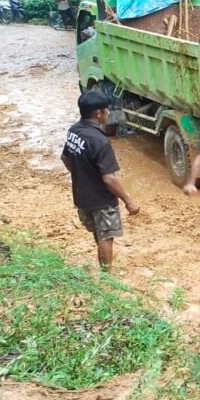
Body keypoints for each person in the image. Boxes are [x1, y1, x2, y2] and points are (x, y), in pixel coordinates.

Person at [61, 89, 139, 271]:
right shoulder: (100, 141)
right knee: (106, 236)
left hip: (81, 195)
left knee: (99, 231)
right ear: (98, 113)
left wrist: (83, 176)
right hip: (101, 199)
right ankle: (106, 275)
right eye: (106, 109)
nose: (108, 112)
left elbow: (65, 158)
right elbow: (109, 178)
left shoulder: (74, 131)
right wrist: (128, 200)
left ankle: (104, 262)